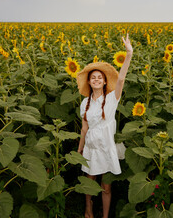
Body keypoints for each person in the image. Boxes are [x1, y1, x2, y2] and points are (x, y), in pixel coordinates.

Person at [76, 33, 133, 218]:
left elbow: (122, 79)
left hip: (107, 148)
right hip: (91, 148)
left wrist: (129, 53)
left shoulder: (111, 99)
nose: (97, 79)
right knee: (89, 183)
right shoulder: (84, 103)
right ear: (89, 82)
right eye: (93, 77)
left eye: (100, 77)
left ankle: (105, 216)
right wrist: (80, 149)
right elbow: (84, 129)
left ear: (105, 81)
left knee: (105, 187)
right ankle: (89, 209)